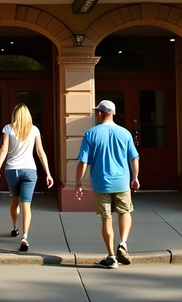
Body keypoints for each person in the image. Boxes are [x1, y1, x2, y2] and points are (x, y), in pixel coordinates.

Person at [75, 99, 140, 268]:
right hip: (122, 182)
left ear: (99, 113)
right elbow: (134, 157)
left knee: (106, 219)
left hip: (101, 183)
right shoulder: (125, 133)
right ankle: (123, 243)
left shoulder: (90, 134)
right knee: (125, 212)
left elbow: (83, 162)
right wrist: (135, 178)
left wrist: (78, 183)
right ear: (113, 113)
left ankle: (111, 256)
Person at [0, 103, 54, 251]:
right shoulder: (34, 130)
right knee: (26, 205)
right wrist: (48, 173)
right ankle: (25, 236)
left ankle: (14, 226)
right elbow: (40, 152)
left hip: (12, 170)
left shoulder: (8, 128)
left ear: (15, 115)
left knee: (15, 200)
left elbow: (3, 149)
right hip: (29, 170)